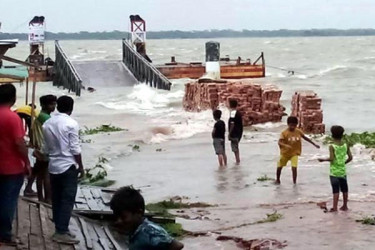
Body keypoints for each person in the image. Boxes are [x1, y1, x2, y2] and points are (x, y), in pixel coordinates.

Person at [43, 96, 84, 244]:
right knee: (67, 199)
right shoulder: (71, 124)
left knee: (57, 198)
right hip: (68, 165)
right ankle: (61, 231)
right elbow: (75, 148)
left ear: (57, 107)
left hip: (53, 165)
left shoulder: (47, 123)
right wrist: (81, 166)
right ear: (71, 109)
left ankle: (61, 228)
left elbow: (46, 148)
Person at [0, 84, 31, 246]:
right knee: (8, 200)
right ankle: (5, 233)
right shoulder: (13, 118)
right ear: (13, 98)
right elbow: (19, 143)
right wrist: (27, 162)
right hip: (11, 167)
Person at [110, 186, 184, 250]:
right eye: (116, 217)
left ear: (139, 213)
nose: (118, 221)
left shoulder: (150, 231)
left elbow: (177, 245)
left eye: (123, 217)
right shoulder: (134, 230)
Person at [29, 95, 57, 203]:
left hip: (39, 149)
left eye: (54, 104)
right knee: (46, 175)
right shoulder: (46, 118)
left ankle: (41, 198)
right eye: (51, 104)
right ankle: (48, 199)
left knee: (40, 175)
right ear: (44, 105)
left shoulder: (40, 116)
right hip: (44, 149)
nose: (53, 106)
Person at [276, 116, 320, 184]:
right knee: (280, 167)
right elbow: (279, 142)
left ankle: (294, 183)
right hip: (285, 153)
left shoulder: (298, 131)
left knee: (294, 168)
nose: (293, 127)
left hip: (294, 153)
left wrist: (314, 144)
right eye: (291, 125)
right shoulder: (284, 133)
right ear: (288, 124)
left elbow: (305, 138)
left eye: (294, 125)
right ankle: (278, 179)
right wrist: (285, 145)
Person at [319, 126, 353, 212]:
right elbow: (350, 157)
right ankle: (345, 205)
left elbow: (331, 158)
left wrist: (323, 160)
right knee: (345, 189)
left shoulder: (332, 146)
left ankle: (335, 207)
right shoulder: (346, 145)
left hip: (334, 172)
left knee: (335, 190)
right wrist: (343, 163)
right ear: (342, 134)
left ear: (332, 135)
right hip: (342, 171)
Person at [228, 99, 243, 165]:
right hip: (238, 132)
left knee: (235, 148)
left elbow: (232, 123)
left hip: (234, 133)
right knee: (236, 147)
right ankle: (238, 160)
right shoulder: (238, 112)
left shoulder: (233, 113)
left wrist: (229, 133)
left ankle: (237, 161)